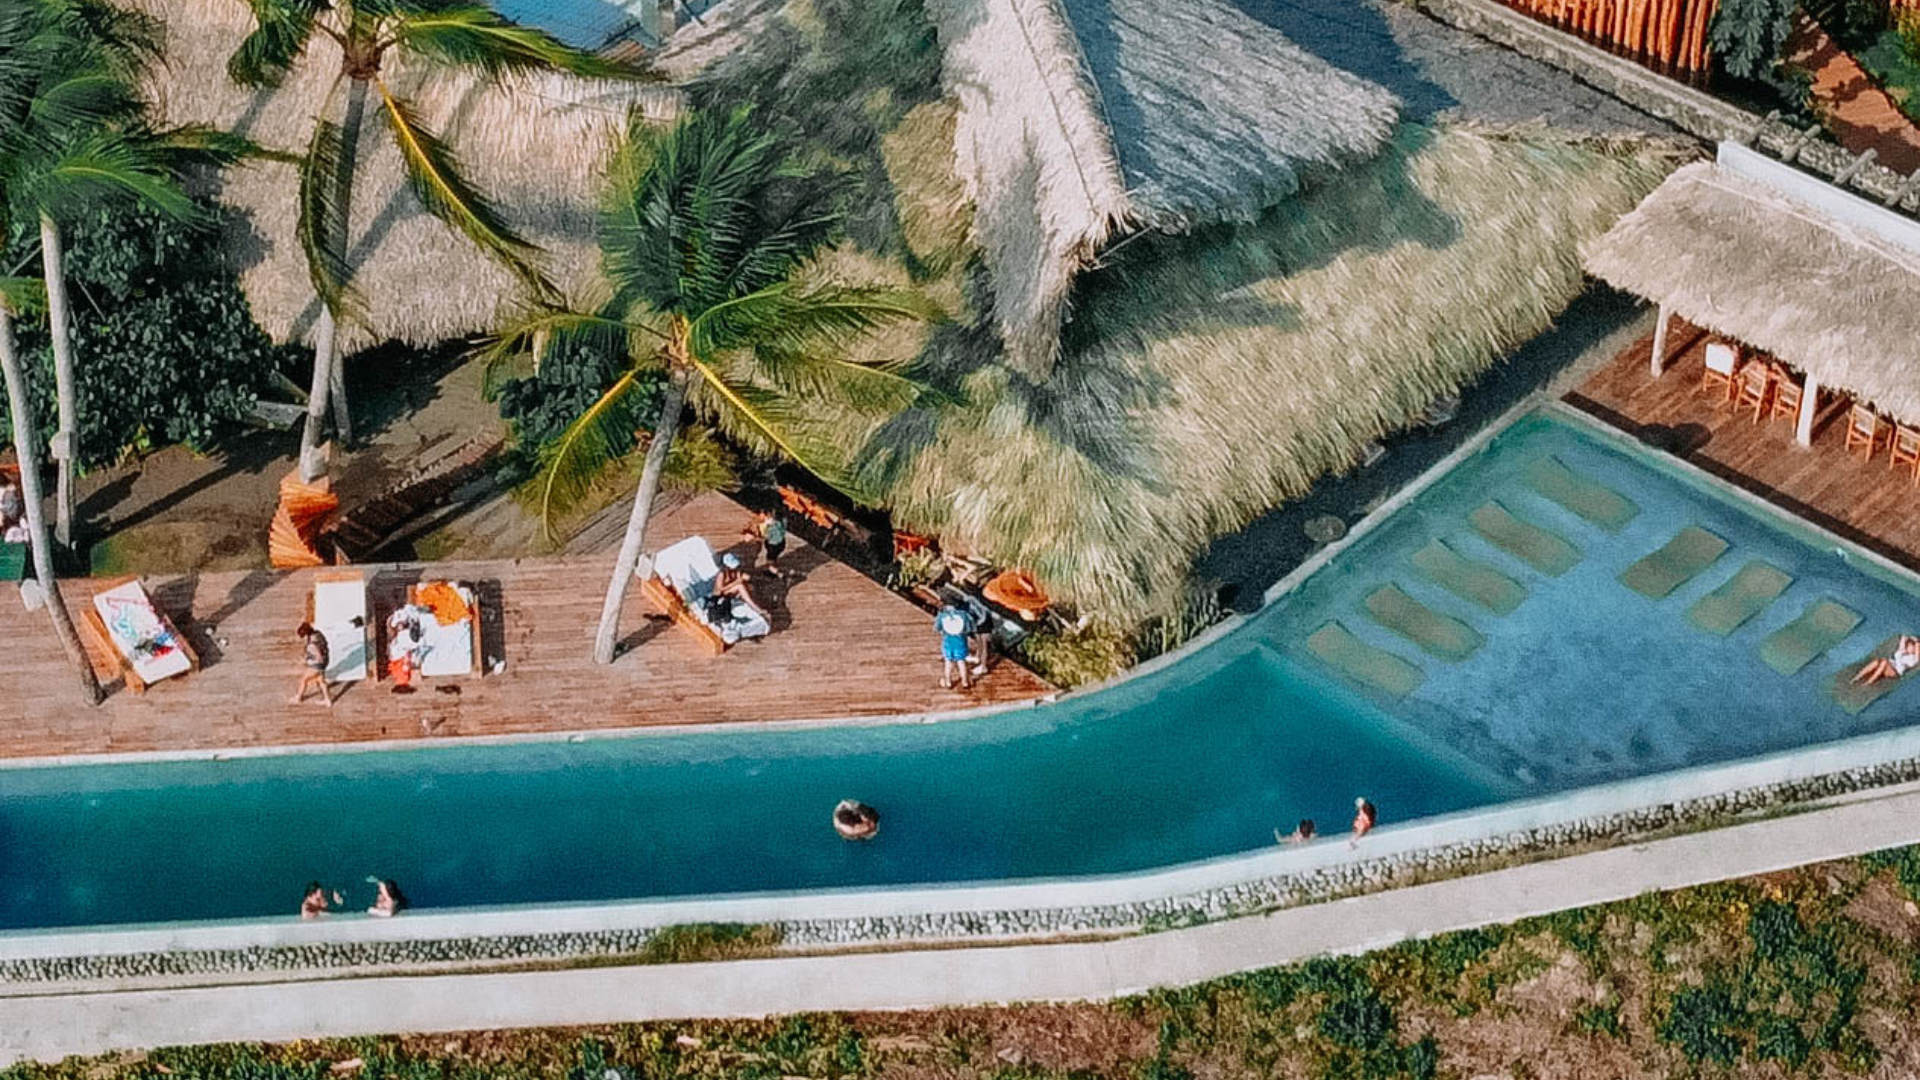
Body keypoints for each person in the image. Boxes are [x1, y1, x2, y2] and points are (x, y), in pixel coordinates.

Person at [385, 603, 428, 693]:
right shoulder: (398, 675)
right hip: (398, 653)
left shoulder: (403, 675)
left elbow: (405, 660)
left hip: (400, 652)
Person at [713, 554, 768, 621]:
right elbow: (720, 589)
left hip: (730, 592)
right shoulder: (721, 574)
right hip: (720, 595)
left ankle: (758, 602)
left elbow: (741, 577)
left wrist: (747, 578)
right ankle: (756, 608)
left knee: (748, 585)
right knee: (740, 586)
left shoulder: (734, 571)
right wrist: (735, 582)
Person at [290, 622, 333, 707]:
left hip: (316, 665)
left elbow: (318, 656)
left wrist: (307, 660)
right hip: (325, 661)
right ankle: (327, 700)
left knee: (303, 680)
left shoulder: (312, 644)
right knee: (321, 681)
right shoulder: (318, 634)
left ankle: (298, 698)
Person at [936, 603, 976, 689]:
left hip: (948, 642)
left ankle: (948, 682)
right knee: (961, 661)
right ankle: (965, 682)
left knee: (948, 662)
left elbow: (937, 628)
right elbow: (969, 629)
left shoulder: (942, 615)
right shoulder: (963, 614)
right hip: (960, 642)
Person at [1854, 635, 1920, 685]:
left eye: (1911, 646)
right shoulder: (1902, 650)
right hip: (1888, 666)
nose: (1908, 647)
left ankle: (1869, 682)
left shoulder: (1913, 659)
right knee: (1876, 662)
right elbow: (1904, 637)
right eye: (1908, 646)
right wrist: (1911, 638)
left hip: (1895, 672)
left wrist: (1916, 642)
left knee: (1884, 662)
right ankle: (1857, 676)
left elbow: (1918, 645)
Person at [742, 509, 789, 580]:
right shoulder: (783, 521)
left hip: (773, 546)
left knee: (770, 562)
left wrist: (755, 538)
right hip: (781, 543)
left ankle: (780, 575)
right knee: (774, 558)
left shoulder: (771, 528)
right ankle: (771, 572)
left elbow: (765, 537)